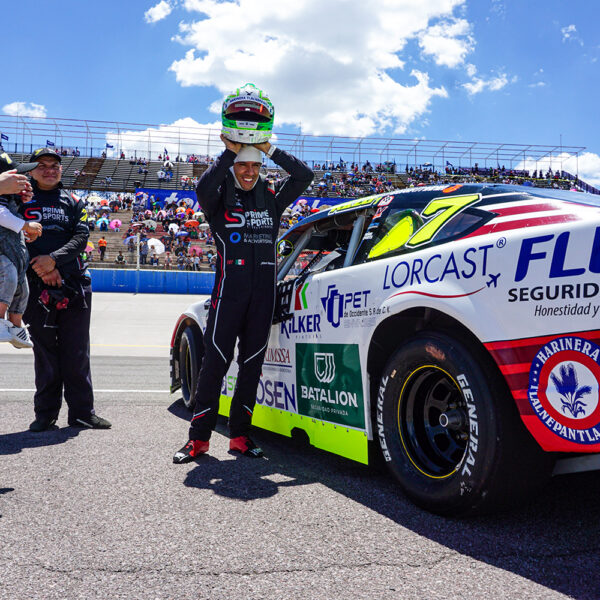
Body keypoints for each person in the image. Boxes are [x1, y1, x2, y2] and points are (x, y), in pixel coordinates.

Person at [173, 136, 313, 463]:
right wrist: (230, 151)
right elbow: (203, 187)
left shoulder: (273, 199)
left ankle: (239, 436)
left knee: (251, 368)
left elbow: (304, 176)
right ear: (233, 167)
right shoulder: (219, 199)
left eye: (255, 166)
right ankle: (198, 440)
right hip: (228, 296)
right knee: (214, 366)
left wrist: (269, 150)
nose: (249, 172)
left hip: (263, 297)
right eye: (242, 165)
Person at [19, 147, 111, 432]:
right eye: (42, 165)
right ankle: (45, 414)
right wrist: (42, 268)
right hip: (35, 286)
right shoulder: (18, 198)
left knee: (77, 351)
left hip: (74, 284)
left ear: (62, 170)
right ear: (31, 171)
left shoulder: (73, 200)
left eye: (54, 165)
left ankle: (83, 413)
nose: (49, 170)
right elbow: (14, 233)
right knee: (45, 352)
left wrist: (54, 261)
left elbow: (81, 237)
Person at [0, 153, 42, 348]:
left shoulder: (10, 197)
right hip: (5, 254)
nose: (24, 180)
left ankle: (16, 325)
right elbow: (2, 216)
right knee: (7, 277)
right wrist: (25, 225)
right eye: (17, 176)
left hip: (15, 251)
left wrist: (18, 200)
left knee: (22, 287)